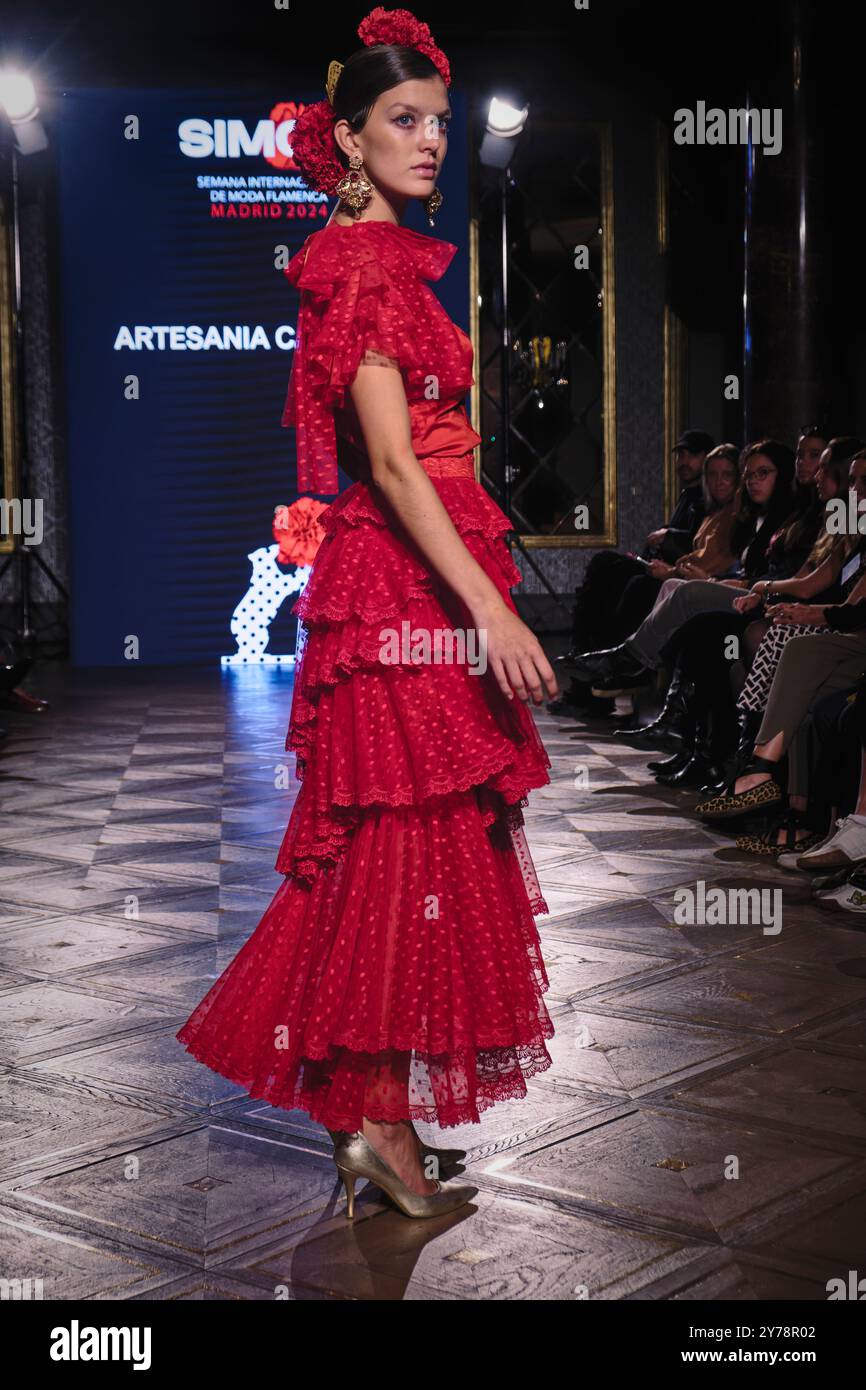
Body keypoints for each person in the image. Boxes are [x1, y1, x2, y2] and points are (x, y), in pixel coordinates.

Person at [176, 7, 559, 1222]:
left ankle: (377, 1118)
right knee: (401, 851)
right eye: (404, 121)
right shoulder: (357, 263)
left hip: (406, 580)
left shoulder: (375, 254)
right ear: (346, 138)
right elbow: (392, 467)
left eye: (440, 123)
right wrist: (490, 608)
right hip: (406, 582)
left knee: (412, 852)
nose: (431, 141)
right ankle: (374, 1122)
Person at [551, 428, 714, 710]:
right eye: (681, 454)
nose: (684, 461)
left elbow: (706, 549)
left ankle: (607, 671)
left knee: (627, 585)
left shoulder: (710, 501)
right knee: (604, 573)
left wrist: (669, 538)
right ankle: (587, 664)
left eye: (693, 455)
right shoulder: (690, 495)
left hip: (683, 575)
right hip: (666, 568)